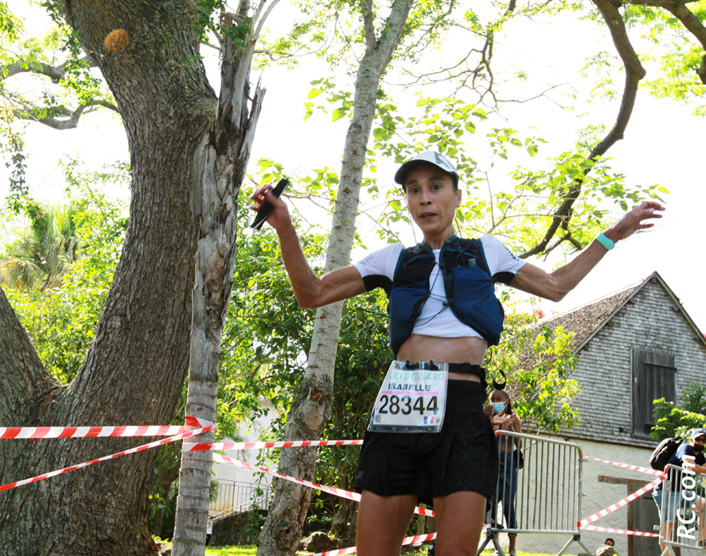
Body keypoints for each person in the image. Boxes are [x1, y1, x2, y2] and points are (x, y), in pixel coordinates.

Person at [249, 150, 663, 556]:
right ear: (408, 202)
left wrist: (615, 233)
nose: (425, 198)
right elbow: (312, 293)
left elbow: (556, 286)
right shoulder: (392, 258)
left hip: (463, 408)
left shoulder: (486, 252)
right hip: (402, 406)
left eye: (435, 186)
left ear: (457, 195)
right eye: (414, 190)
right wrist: (283, 225)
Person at [653, 428, 706, 551]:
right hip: (666, 491)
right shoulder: (685, 447)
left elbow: (699, 467)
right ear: (691, 439)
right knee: (668, 528)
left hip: (681, 492)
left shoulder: (701, 455)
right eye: (698, 439)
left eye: (704, 440)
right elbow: (690, 465)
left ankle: (703, 540)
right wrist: (698, 467)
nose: (701, 443)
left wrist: (698, 467)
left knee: (703, 505)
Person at [489, 389, 522, 556]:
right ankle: (496, 546)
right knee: (492, 504)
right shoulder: (490, 418)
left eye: (498, 399)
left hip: (509, 462)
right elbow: (488, 438)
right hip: (494, 461)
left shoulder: (514, 418)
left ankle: (512, 547)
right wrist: (499, 425)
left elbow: (519, 443)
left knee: (509, 504)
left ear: (507, 401)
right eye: (493, 399)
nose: (495, 401)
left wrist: (511, 427)